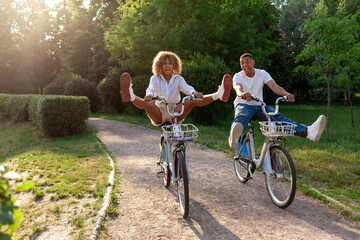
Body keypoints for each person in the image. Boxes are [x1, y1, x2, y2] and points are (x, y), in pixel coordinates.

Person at [228, 53, 326, 149]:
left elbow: (275, 87)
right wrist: (242, 94)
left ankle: (308, 132)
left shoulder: (262, 73)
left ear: (253, 62)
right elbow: (238, 87)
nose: (245, 65)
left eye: (247, 62)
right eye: (242, 63)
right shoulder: (238, 76)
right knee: (242, 117)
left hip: (259, 105)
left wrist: (287, 94)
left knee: (278, 117)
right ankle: (234, 139)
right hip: (244, 104)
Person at [120, 51, 232, 126]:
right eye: (164, 64)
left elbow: (187, 88)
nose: (167, 66)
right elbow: (151, 88)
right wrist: (149, 95)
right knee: (147, 104)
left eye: (170, 63)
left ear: (174, 66)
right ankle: (131, 95)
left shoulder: (178, 78)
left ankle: (219, 95)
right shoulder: (155, 78)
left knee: (191, 100)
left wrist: (195, 92)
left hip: (175, 112)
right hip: (159, 111)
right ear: (160, 65)